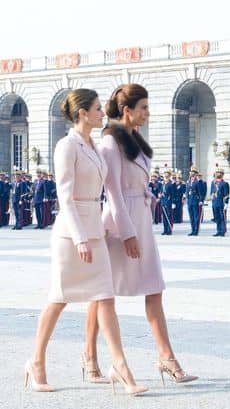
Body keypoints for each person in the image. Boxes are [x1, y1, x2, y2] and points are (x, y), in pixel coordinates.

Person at [26, 89, 146, 395]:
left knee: (105, 298)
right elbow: (65, 197)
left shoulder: (93, 145)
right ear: (82, 113)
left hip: (96, 230)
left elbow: (107, 189)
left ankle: (121, 367)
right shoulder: (67, 146)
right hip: (72, 235)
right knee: (59, 299)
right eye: (96, 109)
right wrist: (80, 238)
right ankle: (36, 362)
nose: (102, 113)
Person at [85, 84, 197, 385]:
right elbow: (114, 195)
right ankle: (90, 357)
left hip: (141, 220)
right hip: (120, 224)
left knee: (154, 287)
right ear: (127, 110)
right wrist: (128, 234)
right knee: (103, 292)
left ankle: (166, 358)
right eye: (144, 107)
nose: (147, 114)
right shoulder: (110, 144)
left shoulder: (134, 140)